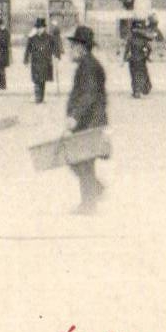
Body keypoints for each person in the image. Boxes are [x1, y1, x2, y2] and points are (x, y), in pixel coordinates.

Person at [65, 25, 108, 214]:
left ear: (81, 48)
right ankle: (95, 190)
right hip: (90, 120)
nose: (69, 50)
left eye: (72, 46)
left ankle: (89, 204)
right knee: (77, 160)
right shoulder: (87, 64)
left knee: (83, 162)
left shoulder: (89, 67)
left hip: (90, 122)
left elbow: (88, 95)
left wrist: (74, 117)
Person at [24, 16, 55, 103]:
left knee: (43, 81)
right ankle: (38, 98)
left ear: (44, 28)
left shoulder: (49, 38)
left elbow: (54, 48)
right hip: (36, 62)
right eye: (38, 28)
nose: (39, 29)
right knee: (36, 81)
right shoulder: (32, 38)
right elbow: (28, 50)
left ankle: (41, 98)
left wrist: (56, 55)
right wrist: (26, 60)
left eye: (41, 28)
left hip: (45, 62)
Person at [124, 19, 153, 98]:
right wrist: (147, 56)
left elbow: (127, 49)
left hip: (132, 59)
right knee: (142, 74)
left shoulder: (130, 39)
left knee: (134, 75)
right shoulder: (143, 39)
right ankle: (143, 89)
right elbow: (150, 49)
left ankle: (136, 91)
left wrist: (124, 58)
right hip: (141, 59)